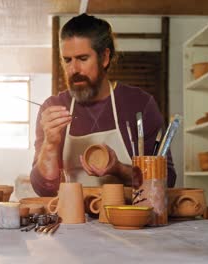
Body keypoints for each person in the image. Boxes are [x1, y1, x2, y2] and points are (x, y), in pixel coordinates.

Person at [30, 14, 176, 197]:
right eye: (67, 60)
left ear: (105, 57)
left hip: (128, 220)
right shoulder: (53, 108)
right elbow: (42, 189)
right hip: (72, 220)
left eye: (82, 58)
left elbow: (167, 180)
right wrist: (50, 145)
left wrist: (119, 169)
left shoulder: (140, 104)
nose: (73, 69)